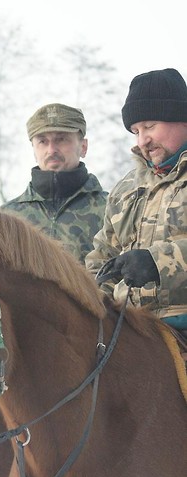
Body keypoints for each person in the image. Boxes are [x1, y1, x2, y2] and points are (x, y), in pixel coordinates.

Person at [85, 68, 187, 330]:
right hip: (131, 330)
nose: (144, 140)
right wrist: (86, 296)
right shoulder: (126, 188)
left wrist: (157, 263)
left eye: (150, 126)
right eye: (136, 131)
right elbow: (103, 255)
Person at [0, 102, 107, 263]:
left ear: (83, 147)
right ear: (34, 149)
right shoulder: (7, 218)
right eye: (42, 141)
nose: (51, 150)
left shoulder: (111, 211)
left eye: (61, 139)